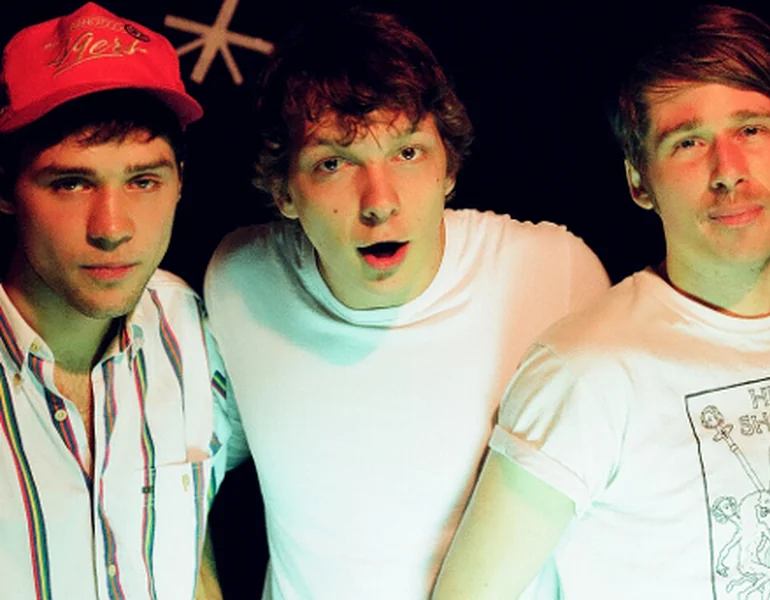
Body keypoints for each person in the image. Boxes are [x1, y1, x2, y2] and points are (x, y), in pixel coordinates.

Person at [433, 6, 770, 599]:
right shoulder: (585, 372)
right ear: (638, 181)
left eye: (751, 130)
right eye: (688, 142)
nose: (728, 171)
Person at [202, 7, 610, 599]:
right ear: (285, 191)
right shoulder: (240, 280)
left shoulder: (554, 274)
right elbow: (184, 465)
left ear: (449, 168)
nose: (379, 202)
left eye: (408, 153)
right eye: (334, 163)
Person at [0, 3, 242, 599]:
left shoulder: (191, 326)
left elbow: (192, 547)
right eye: (71, 183)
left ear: (180, 181)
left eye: (143, 181)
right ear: (6, 189)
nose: (111, 228)